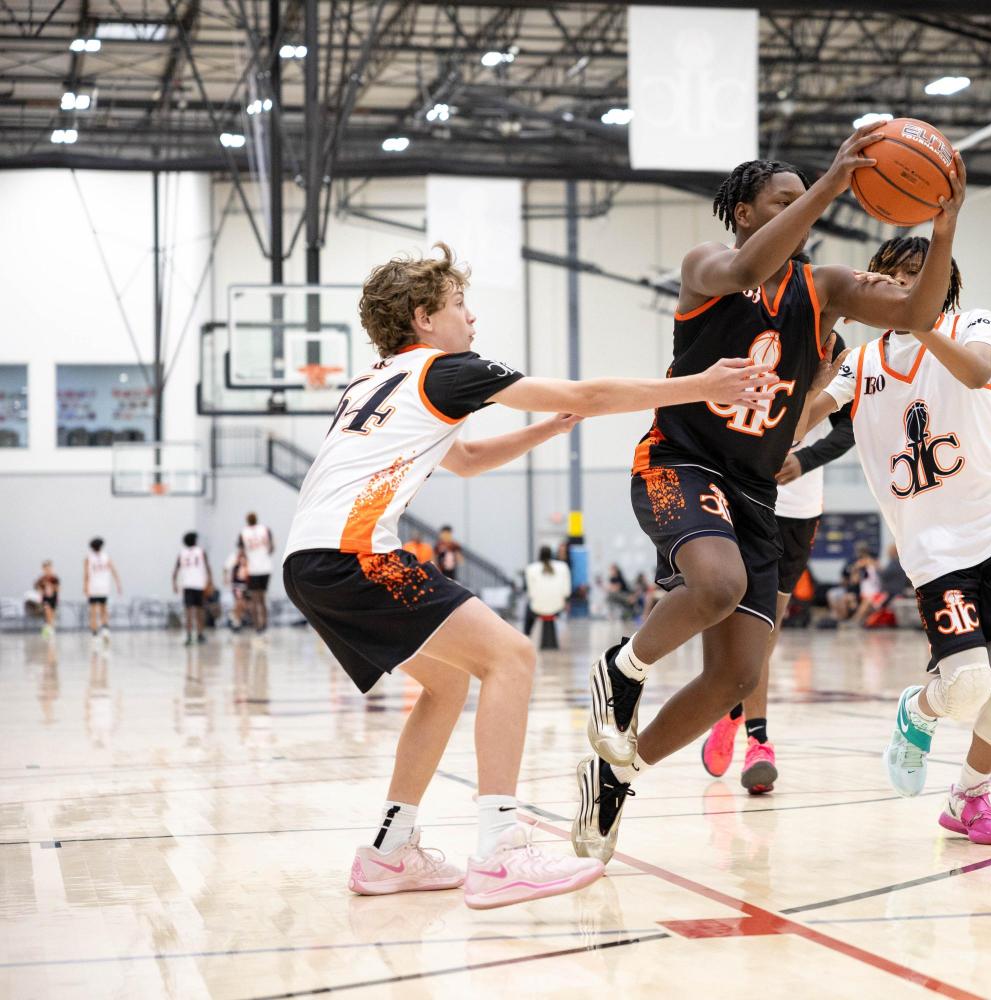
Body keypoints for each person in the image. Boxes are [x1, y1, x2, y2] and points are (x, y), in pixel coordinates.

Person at [281, 242, 775, 907]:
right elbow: (592, 393)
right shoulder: (447, 369)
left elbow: (466, 460)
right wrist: (701, 386)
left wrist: (545, 431)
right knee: (511, 658)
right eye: (459, 305)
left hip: (308, 560)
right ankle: (500, 851)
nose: (471, 318)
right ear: (424, 317)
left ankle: (389, 852)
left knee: (447, 684)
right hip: (356, 554)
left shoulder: (373, 382)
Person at [574, 128, 968, 864]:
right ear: (745, 213)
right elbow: (750, 265)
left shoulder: (827, 288)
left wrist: (943, 226)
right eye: (783, 201)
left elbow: (919, 314)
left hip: (754, 489)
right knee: (717, 585)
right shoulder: (707, 265)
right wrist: (830, 186)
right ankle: (621, 669)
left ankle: (618, 774)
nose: (800, 210)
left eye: (803, 200)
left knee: (736, 673)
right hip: (681, 460)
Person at [793, 233, 991, 845]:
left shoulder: (971, 323)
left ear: (943, 282)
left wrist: (920, 320)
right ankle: (917, 710)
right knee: (967, 686)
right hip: (933, 550)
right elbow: (797, 426)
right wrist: (805, 376)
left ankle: (969, 797)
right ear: (873, 282)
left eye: (919, 275)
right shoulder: (860, 362)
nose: (905, 282)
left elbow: (977, 372)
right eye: (894, 274)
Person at [700, 329, 855, 794]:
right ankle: (759, 741)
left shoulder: (835, 348)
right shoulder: (753, 333)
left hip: (798, 510)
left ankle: (732, 709)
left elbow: (849, 428)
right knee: (749, 624)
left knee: (767, 630)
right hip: (745, 499)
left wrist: (805, 460)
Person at [524, 546, 572, 647]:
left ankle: (526, 635)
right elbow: (567, 592)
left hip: (537, 607)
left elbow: (530, 593)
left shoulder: (531, 568)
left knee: (528, 609)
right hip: (558, 606)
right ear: (552, 554)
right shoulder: (563, 567)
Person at [172, 531, 210, 645]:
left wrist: (174, 583)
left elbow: (175, 570)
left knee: (188, 611)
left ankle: (189, 635)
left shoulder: (181, 553)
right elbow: (207, 567)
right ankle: (200, 634)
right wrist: (210, 581)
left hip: (187, 585)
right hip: (199, 584)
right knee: (200, 611)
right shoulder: (201, 551)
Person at [240, 512, 275, 635]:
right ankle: (264, 623)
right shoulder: (265, 529)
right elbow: (272, 548)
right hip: (265, 568)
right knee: (262, 598)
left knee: (254, 599)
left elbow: (242, 552)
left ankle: (257, 626)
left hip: (253, 569)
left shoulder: (243, 533)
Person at [84, 537, 120, 640]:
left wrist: (85, 587)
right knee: (103, 609)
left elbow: (86, 575)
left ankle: (95, 633)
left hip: (94, 588)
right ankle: (105, 629)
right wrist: (118, 584)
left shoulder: (89, 558)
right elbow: (114, 571)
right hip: (103, 588)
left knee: (93, 611)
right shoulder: (106, 557)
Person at [223, 541, 250, 632]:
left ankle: (234, 616)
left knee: (244, 604)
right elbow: (226, 567)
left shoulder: (249, 557)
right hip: (237, 585)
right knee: (239, 602)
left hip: (246, 585)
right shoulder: (234, 557)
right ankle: (236, 622)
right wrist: (225, 578)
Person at [35, 560, 59, 638]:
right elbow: (37, 588)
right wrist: (41, 589)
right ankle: (48, 628)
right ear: (43, 569)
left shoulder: (54, 578)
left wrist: (51, 586)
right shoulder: (41, 579)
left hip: (53, 598)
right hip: (45, 599)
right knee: (47, 610)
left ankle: (50, 628)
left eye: (49, 569)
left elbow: (58, 589)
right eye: (46, 569)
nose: (48, 570)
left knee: (52, 615)